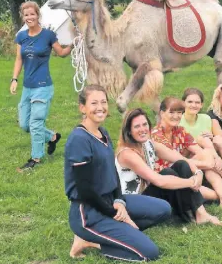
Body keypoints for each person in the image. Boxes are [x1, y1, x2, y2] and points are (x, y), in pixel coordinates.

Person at [65, 85, 172, 261]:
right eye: (94, 103)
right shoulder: (79, 139)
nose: (100, 107)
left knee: (163, 209)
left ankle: (116, 232)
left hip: (109, 201)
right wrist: (114, 213)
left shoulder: (103, 132)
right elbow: (84, 190)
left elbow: (112, 170)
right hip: (89, 212)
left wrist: (119, 201)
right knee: (149, 253)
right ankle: (92, 240)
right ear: (82, 107)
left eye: (103, 102)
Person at [116, 108, 222, 225]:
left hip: (147, 193)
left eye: (144, 124)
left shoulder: (148, 144)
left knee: (181, 165)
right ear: (129, 131)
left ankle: (200, 213)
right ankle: (191, 212)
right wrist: (191, 182)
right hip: (132, 201)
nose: (142, 129)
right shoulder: (127, 153)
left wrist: (198, 172)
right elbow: (159, 181)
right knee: (167, 173)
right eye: (137, 126)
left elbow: (182, 159)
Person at [151, 97, 222, 211]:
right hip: (165, 176)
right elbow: (178, 161)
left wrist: (213, 158)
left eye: (179, 113)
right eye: (171, 112)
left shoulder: (179, 130)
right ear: (162, 113)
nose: (176, 116)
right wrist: (210, 164)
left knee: (206, 153)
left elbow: (199, 151)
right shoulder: (156, 135)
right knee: (203, 168)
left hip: (182, 170)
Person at [11, 1, 72, 170]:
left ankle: (35, 159)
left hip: (43, 86)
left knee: (36, 123)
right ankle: (52, 137)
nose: (29, 17)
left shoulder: (48, 35)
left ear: (38, 15)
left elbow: (61, 53)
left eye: (32, 14)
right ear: (23, 17)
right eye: (26, 15)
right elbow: (19, 59)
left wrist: (73, 44)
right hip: (27, 87)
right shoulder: (21, 37)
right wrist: (14, 79)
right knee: (25, 124)